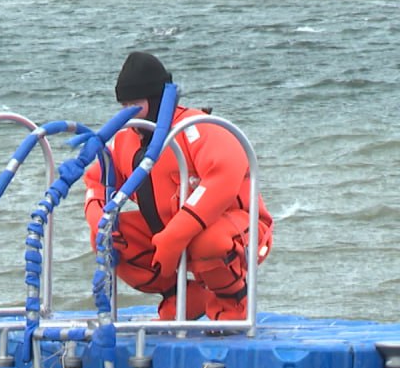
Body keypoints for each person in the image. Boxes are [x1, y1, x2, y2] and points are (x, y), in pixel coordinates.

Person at [83, 52, 274, 321]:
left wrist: (175, 235)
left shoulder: (199, 128)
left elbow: (224, 176)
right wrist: (97, 218)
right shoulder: (124, 141)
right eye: (124, 105)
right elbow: (96, 181)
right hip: (165, 232)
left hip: (240, 231)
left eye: (135, 104)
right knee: (108, 238)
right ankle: (182, 297)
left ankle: (233, 303)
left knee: (209, 243)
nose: (127, 113)